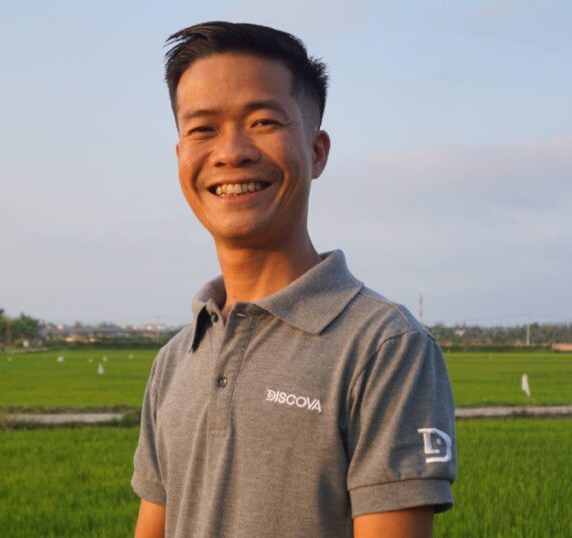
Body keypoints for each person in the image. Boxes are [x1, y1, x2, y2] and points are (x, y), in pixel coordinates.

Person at [132, 21, 457, 538]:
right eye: (202, 129)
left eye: (262, 121)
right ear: (180, 159)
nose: (231, 151)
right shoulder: (174, 360)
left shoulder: (386, 347)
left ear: (317, 151)